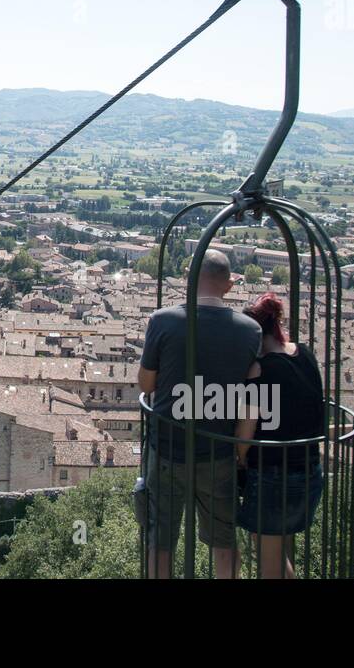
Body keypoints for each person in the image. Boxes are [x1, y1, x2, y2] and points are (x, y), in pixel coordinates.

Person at [138, 248, 262, 578]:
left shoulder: (162, 321)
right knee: (224, 541)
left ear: (189, 279)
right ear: (230, 285)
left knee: (160, 542)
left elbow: (146, 384)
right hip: (218, 452)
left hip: (166, 447)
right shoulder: (251, 331)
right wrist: (240, 450)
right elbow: (253, 399)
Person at [235, 293, 325, 579]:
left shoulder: (259, 369)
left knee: (268, 567)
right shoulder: (306, 354)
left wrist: (238, 458)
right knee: (274, 556)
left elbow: (246, 432)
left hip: (273, 477)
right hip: (310, 473)